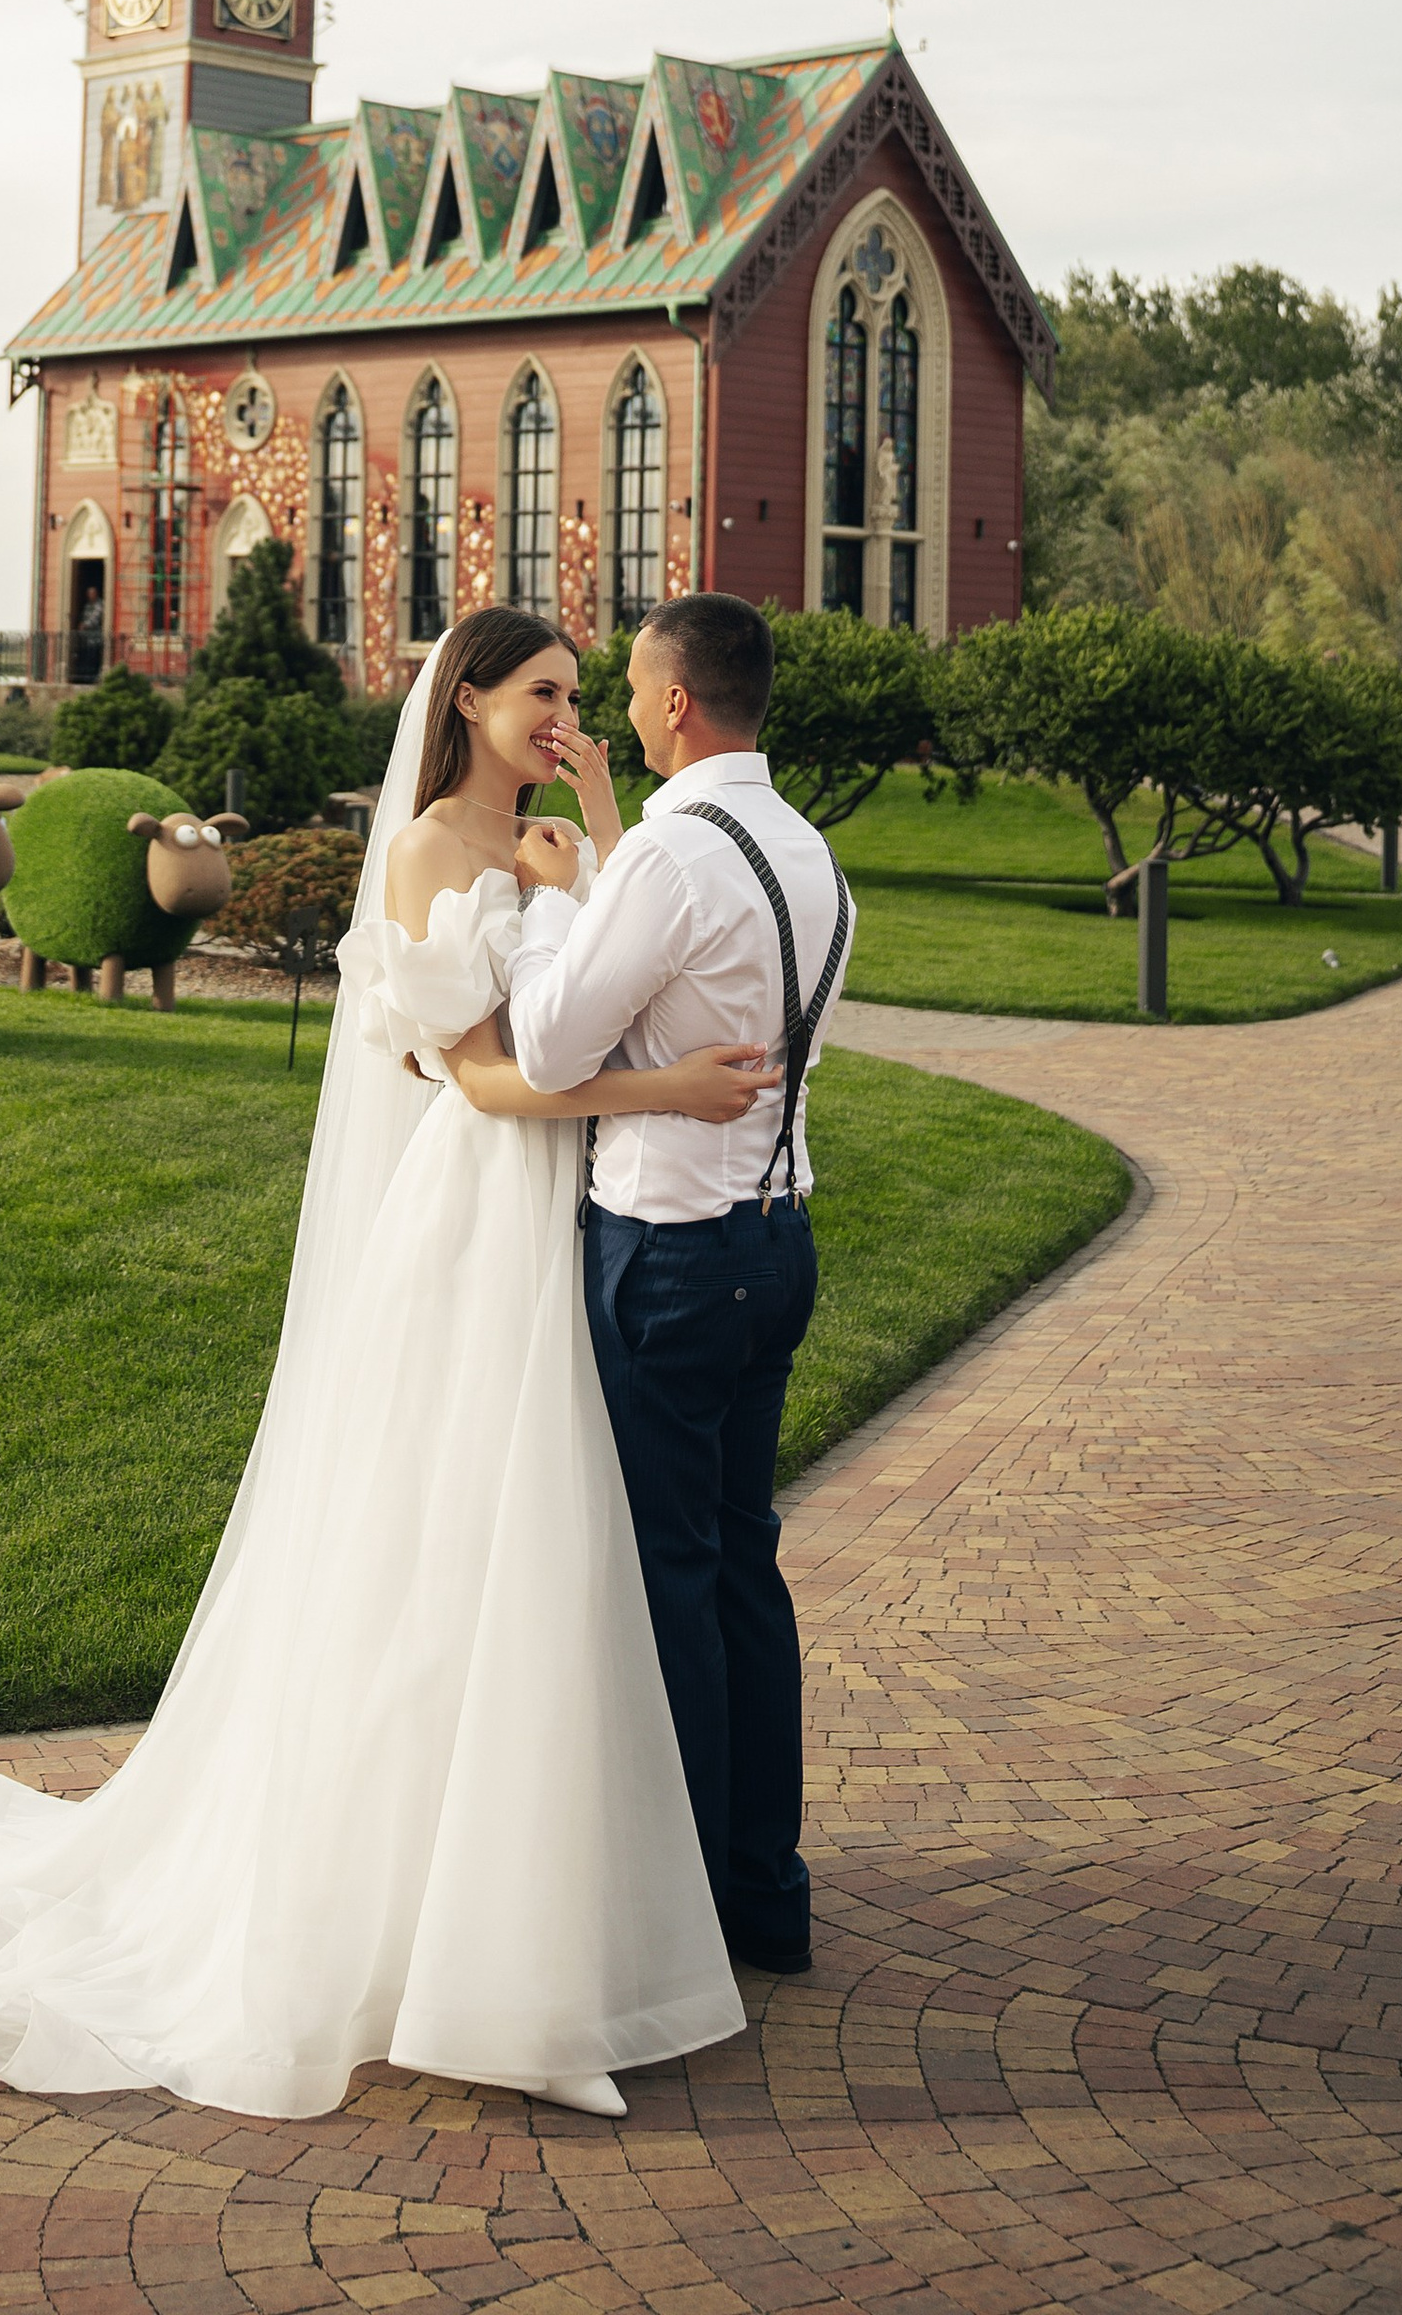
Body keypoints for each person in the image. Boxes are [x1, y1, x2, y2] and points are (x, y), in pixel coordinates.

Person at [0, 606, 772, 2119]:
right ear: (465, 702)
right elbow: (481, 1075)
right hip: (479, 1218)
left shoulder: (559, 845)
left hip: (565, 1224)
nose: (565, 719)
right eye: (543, 696)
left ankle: (530, 1925)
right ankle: (408, 1932)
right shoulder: (423, 858)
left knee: (549, 1559)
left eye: (582, 700)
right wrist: (669, 1081)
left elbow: (595, 958)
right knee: (453, 1551)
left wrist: (593, 823)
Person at [506, 594, 854, 1982]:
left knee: (669, 1582)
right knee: (742, 1567)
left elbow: (544, 1047)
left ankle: (685, 1915)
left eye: (633, 694)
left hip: (670, 1254)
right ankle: (765, 1893)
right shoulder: (811, 852)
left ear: (671, 706)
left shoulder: (664, 858)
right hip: (778, 1240)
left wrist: (543, 910)